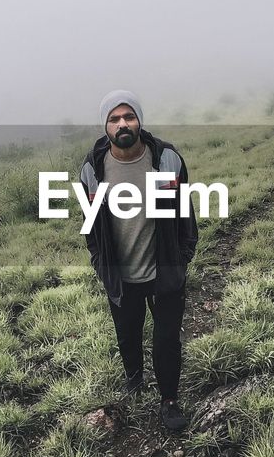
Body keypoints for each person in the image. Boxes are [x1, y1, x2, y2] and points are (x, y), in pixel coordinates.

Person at [78, 90, 198, 431]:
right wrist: (99, 260)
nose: (122, 124)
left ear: (139, 121)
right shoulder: (93, 167)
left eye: (128, 117)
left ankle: (170, 400)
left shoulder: (166, 159)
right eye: (114, 119)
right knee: (127, 334)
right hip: (120, 274)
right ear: (105, 127)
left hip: (164, 271)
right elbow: (90, 220)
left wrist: (183, 255)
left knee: (166, 340)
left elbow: (184, 212)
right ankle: (133, 377)